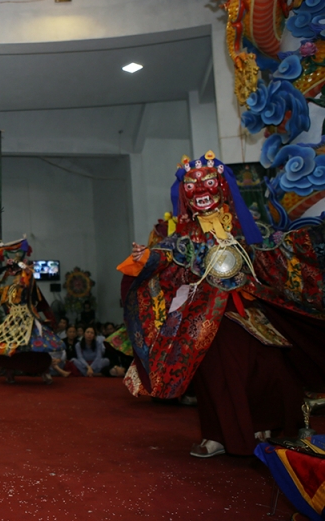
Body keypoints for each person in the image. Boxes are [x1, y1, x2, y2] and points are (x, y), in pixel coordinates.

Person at [118, 151, 325, 458]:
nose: (200, 191)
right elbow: (169, 255)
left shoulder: (245, 226)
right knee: (218, 370)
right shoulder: (184, 234)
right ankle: (217, 435)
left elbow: (273, 247)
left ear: (222, 186)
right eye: (191, 186)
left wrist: (313, 239)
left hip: (250, 307)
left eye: (208, 183)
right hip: (204, 314)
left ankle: (265, 423)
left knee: (272, 367)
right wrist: (147, 258)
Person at [0, 237, 62, 385]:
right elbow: (6, 304)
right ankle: (10, 372)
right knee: (9, 347)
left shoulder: (28, 283)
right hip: (13, 320)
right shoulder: (8, 288)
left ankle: (44, 372)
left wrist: (27, 273)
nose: (12, 273)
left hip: (28, 319)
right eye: (11, 270)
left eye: (14, 270)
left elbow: (39, 300)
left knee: (34, 347)